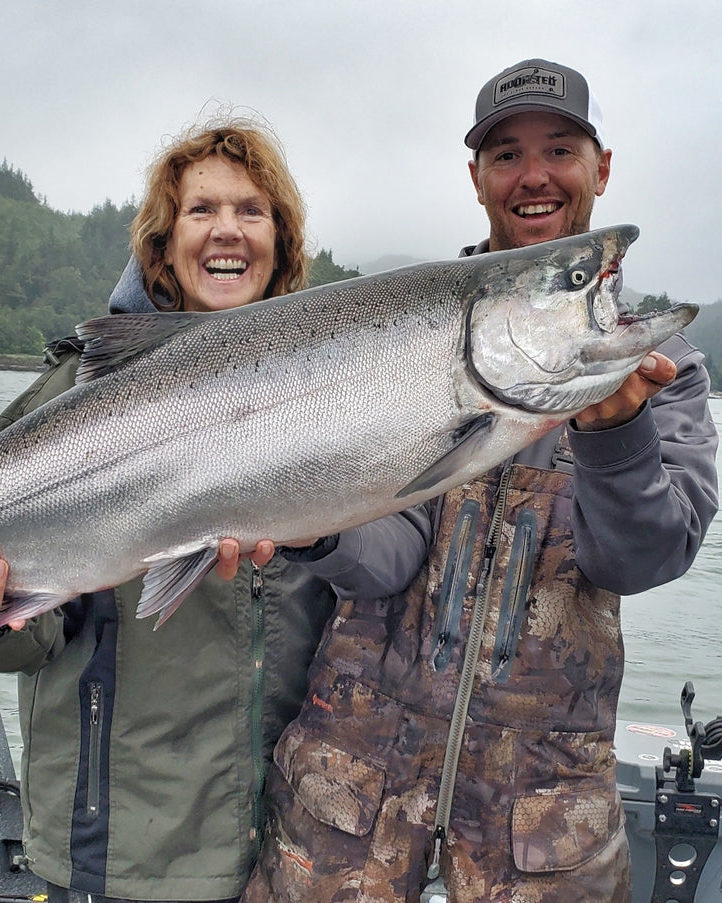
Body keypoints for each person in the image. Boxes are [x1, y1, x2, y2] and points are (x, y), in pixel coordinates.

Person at [241, 59, 719, 903]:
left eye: (560, 149)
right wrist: (314, 520)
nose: (533, 175)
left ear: (601, 167)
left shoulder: (661, 368)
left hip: (541, 828)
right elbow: (387, 557)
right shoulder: (395, 334)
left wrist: (614, 437)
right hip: (346, 803)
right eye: (505, 154)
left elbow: (644, 556)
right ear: (476, 178)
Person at [0, 117, 342, 903]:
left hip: (287, 849)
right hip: (118, 855)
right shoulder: (75, 395)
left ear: (281, 241)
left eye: (252, 211)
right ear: (162, 242)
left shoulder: (336, 395)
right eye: (201, 209)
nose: (228, 231)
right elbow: (5, 630)